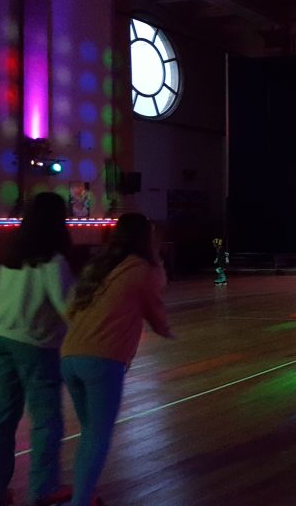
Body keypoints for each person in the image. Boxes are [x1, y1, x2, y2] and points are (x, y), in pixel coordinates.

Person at [60, 213, 174, 506]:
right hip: (102, 360)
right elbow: (155, 305)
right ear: (144, 238)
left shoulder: (99, 267)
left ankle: (83, 494)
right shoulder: (142, 269)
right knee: (97, 436)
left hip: (70, 356)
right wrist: (165, 329)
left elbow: (69, 309)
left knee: (89, 434)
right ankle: (81, 500)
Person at [0, 192, 75, 506]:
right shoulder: (53, 260)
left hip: (0, 337)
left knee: (1, 420)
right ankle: (42, 492)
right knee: (46, 420)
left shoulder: (12, 254)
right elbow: (66, 307)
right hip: (35, 344)